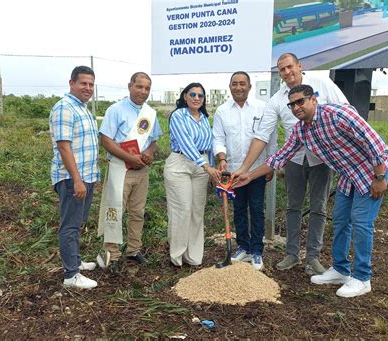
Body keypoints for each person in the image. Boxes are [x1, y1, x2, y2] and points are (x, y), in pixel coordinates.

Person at [234, 84, 388, 298]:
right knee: (340, 219)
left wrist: (380, 176)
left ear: (314, 100)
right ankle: (340, 269)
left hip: (373, 169)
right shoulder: (301, 130)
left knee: (361, 221)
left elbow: (373, 142)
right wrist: (249, 175)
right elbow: (279, 157)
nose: (297, 107)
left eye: (301, 101)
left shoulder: (338, 114)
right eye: (292, 104)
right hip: (349, 173)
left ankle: (363, 278)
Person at [232, 53, 348, 276]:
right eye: (281, 69)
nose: (287, 73)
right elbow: (262, 135)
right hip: (293, 158)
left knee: (319, 207)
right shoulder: (276, 100)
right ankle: (292, 254)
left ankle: (313, 257)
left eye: (289, 67)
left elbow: (345, 110)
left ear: (299, 66)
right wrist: (245, 169)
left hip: (322, 158)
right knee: (293, 207)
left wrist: (341, 152)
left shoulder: (322, 84)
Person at [97, 72, 162, 273]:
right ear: (130, 86)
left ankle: (134, 249)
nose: (143, 91)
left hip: (141, 170)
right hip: (120, 167)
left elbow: (153, 140)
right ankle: (112, 253)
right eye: (139, 86)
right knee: (115, 210)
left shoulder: (150, 113)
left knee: (137, 211)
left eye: (147, 88)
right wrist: (128, 158)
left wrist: (150, 153)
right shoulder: (115, 110)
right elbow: (106, 140)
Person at [213, 71, 276, 270]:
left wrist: (270, 164)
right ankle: (243, 247)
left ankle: (257, 251)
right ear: (230, 86)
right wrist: (222, 159)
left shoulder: (262, 108)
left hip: (256, 170)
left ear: (250, 87)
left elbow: (270, 138)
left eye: (242, 83)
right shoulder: (222, 111)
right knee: (239, 208)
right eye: (234, 84)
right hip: (232, 171)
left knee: (257, 208)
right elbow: (218, 138)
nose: (238, 87)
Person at [49, 66, 100, 289]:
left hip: (85, 177)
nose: (87, 88)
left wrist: (91, 177)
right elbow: (64, 147)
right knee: (70, 226)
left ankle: (76, 262)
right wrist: (77, 180)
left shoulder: (84, 109)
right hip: (72, 178)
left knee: (78, 222)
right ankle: (71, 275)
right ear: (72, 83)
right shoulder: (64, 108)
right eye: (83, 83)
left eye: (91, 84)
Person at [164, 83, 221, 267]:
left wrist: (212, 167)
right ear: (185, 96)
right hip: (180, 164)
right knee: (182, 210)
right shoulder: (178, 115)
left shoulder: (204, 117)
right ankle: (177, 255)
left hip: (201, 167)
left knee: (197, 211)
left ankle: (193, 255)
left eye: (200, 95)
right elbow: (186, 143)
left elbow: (210, 144)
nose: (197, 98)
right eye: (193, 94)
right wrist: (207, 167)